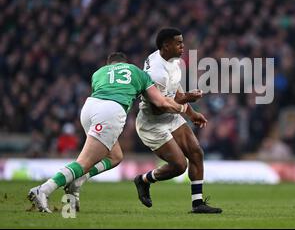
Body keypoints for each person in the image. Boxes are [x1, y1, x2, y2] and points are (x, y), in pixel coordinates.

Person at [28, 52, 187, 213]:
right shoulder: (136, 71)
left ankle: (76, 183)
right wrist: (183, 107)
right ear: (126, 63)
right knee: (84, 163)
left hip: (89, 108)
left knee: (115, 156)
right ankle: (43, 189)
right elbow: (160, 102)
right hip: (111, 110)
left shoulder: (98, 73)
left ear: (109, 64)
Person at [134, 27, 222, 214]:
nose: (183, 46)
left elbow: (174, 92)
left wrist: (192, 113)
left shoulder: (171, 61)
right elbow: (159, 107)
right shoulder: (157, 72)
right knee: (179, 166)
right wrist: (187, 101)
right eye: (178, 43)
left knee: (196, 152)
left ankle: (197, 204)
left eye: (182, 42)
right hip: (152, 123)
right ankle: (143, 180)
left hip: (170, 115)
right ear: (166, 45)